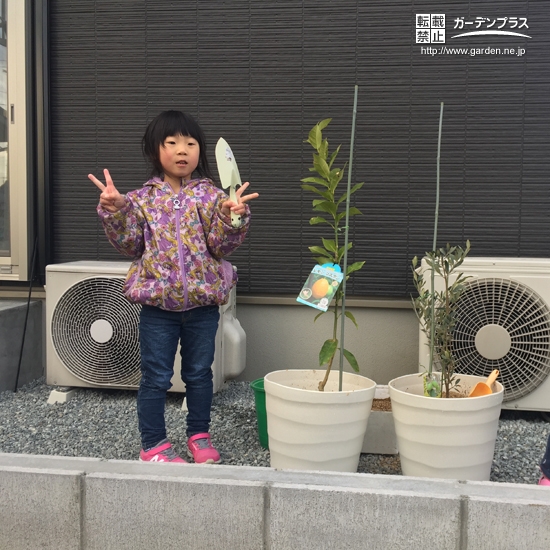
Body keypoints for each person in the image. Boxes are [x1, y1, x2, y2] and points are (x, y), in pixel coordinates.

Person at [88, 110, 258, 464]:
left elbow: (221, 246)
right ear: (155, 150)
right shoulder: (141, 200)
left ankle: (198, 436)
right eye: (172, 143)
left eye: (191, 143)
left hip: (202, 306)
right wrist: (116, 210)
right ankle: (153, 445)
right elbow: (130, 245)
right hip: (157, 308)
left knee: (199, 374)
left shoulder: (213, 198)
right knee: (156, 377)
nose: (183, 150)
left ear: (200, 151)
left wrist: (233, 216)